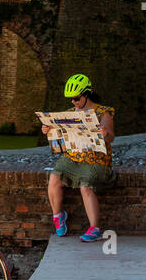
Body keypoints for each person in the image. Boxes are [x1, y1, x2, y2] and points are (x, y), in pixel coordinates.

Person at [43, 73, 115, 243]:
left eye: (76, 98)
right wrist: (48, 130)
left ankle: (95, 228)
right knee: (54, 177)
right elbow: (58, 137)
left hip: (96, 160)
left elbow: (111, 137)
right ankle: (58, 216)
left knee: (85, 184)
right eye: (71, 99)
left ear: (86, 94)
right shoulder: (68, 114)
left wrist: (105, 134)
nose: (73, 102)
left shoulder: (103, 113)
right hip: (73, 157)